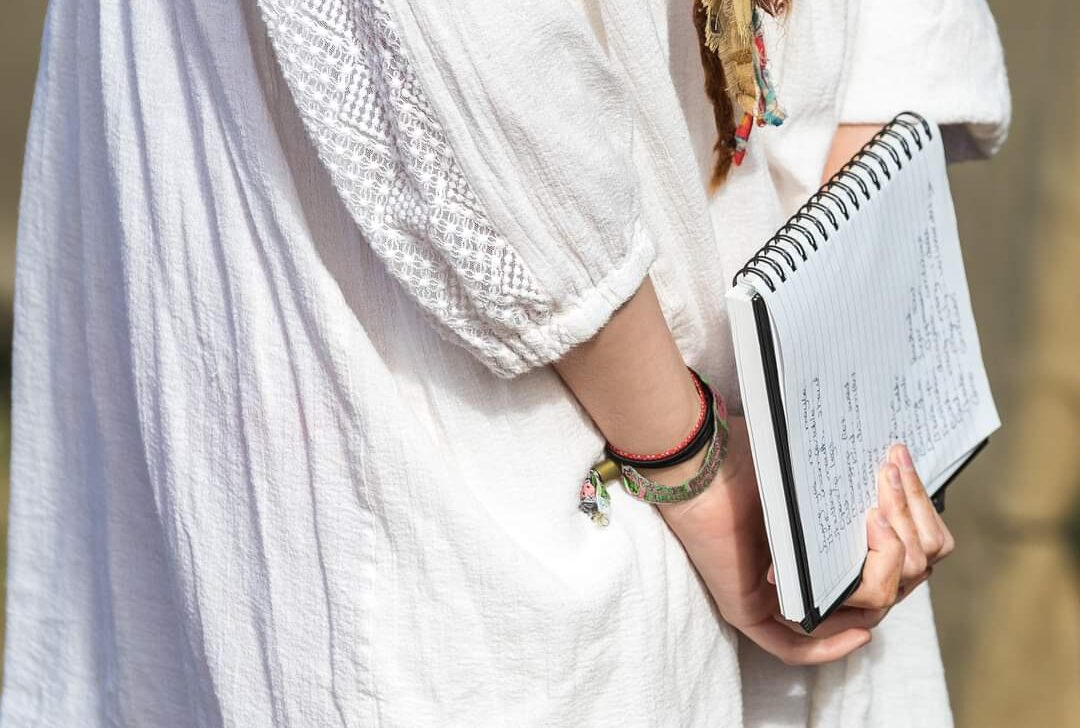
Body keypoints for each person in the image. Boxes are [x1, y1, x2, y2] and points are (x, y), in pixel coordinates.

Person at [0, 0, 1009, 725]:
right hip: (441, 350)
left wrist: (840, 420)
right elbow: (457, 43)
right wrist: (703, 467)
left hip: (755, 335)